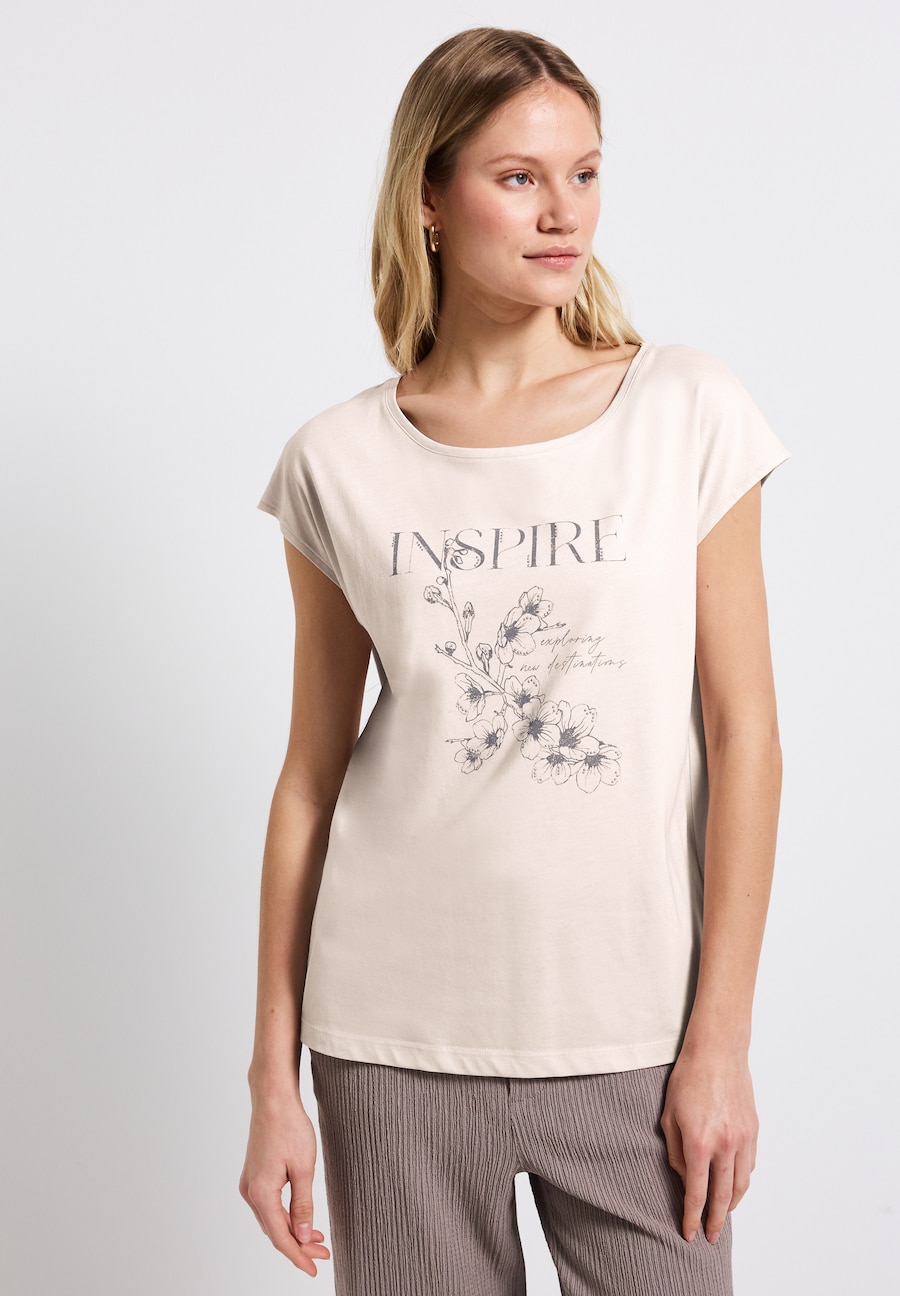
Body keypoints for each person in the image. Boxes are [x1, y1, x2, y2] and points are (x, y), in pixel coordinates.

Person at [238, 26, 788, 1296]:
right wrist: (274, 1079)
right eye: (518, 177)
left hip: (634, 1031)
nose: (563, 213)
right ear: (429, 199)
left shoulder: (685, 411)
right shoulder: (337, 461)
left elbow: (745, 736)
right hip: (391, 1038)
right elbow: (310, 779)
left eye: (584, 174)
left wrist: (720, 1041)